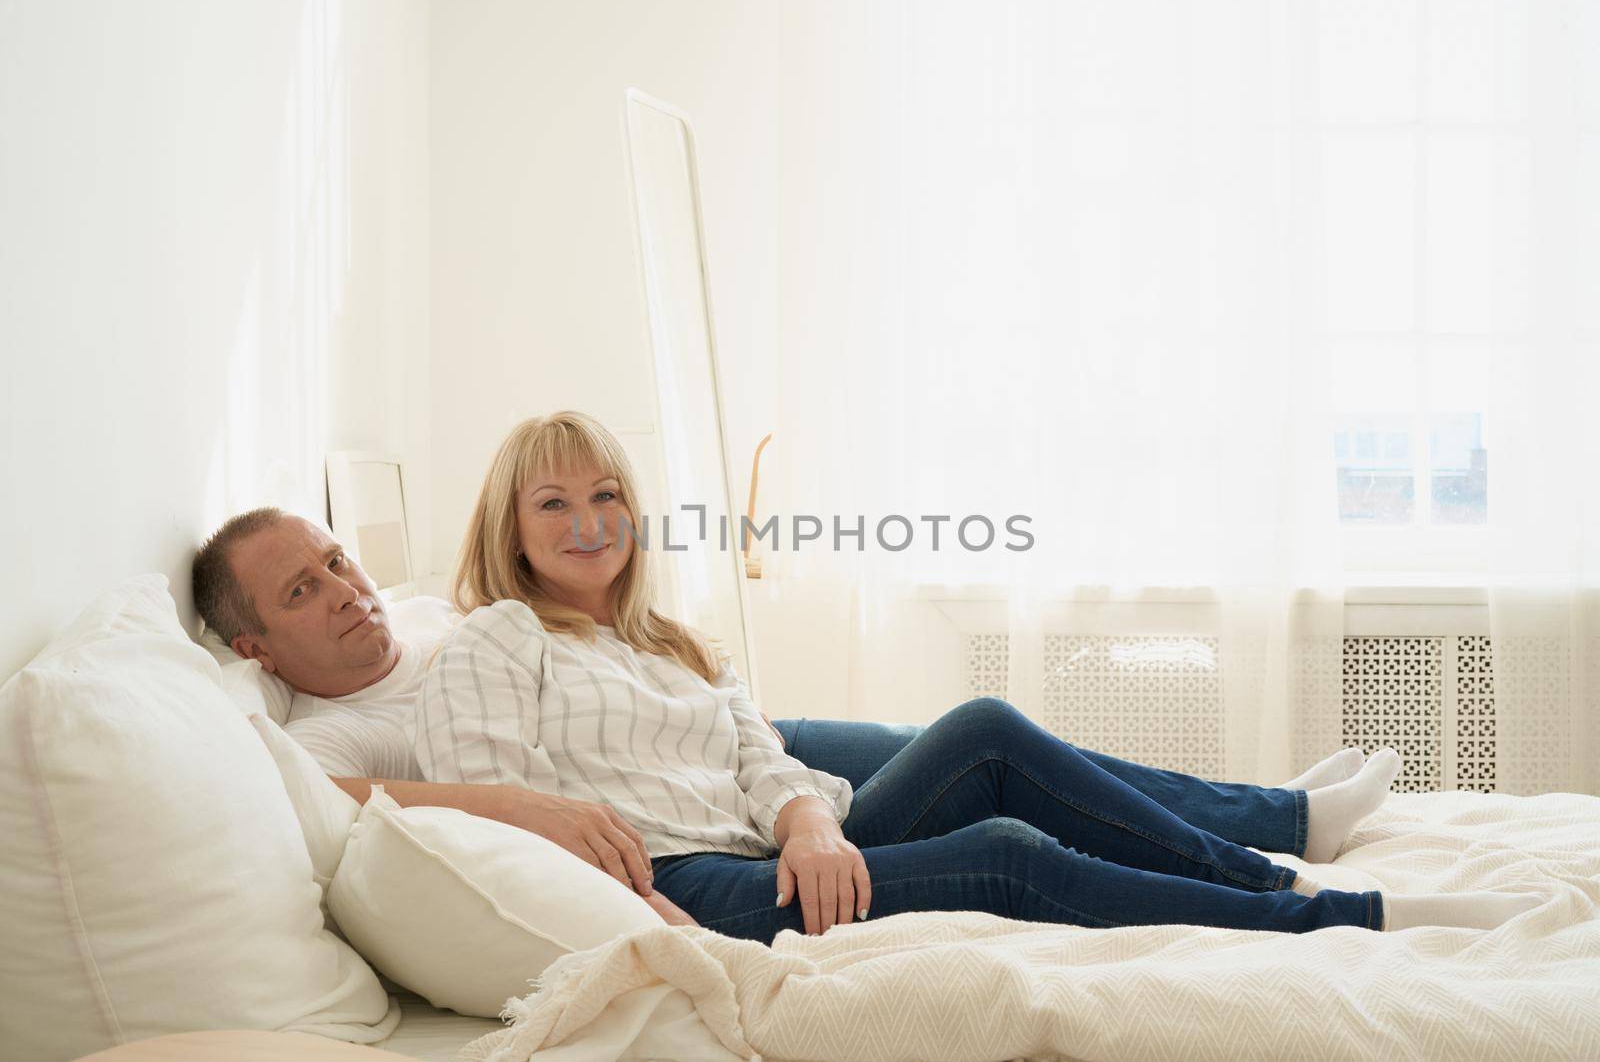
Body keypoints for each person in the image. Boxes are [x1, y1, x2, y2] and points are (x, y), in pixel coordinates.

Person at [413, 411, 1543, 942]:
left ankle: (1270, 869)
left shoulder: (659, 637)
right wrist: (655, 911)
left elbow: (753, 743)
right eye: (551, 501)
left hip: (773, 848)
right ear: (508, 529)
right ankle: (1336, 917)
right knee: (1004, 854)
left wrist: (807, 817)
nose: (587, 520)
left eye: (604, 493)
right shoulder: (496, 639)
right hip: (687, 883)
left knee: (983, 727)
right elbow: (496, 811)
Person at [192, 507, 1373, 931]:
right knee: (997, 808)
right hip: (683, 831)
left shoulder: (420, 619)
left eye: (338, 560)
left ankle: (1280, 827)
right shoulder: (324, 732)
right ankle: (1288, 892)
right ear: (252, 644)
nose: (346, 590)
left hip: (686, 749)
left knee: (986, 731)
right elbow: (312, 794)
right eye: (304, 590)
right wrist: (509, 801)